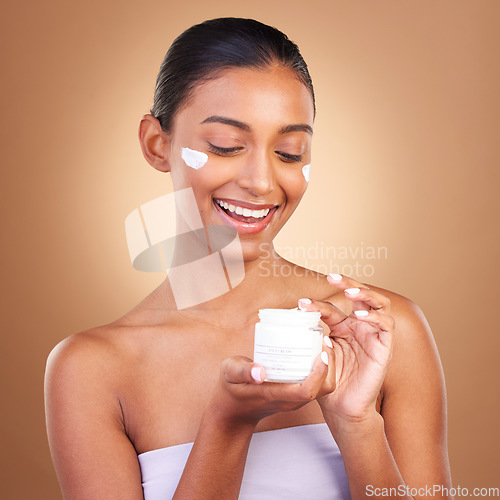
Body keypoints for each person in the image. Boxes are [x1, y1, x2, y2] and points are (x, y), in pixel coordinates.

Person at [45, 17, 453, 499]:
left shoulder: (380, 331)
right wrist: (227, 423)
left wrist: (356, 423)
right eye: (226, 146)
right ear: (158, 144)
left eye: (289, 152)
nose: (261, 182)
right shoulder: (91, 370)